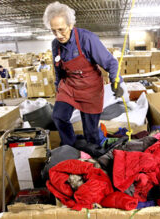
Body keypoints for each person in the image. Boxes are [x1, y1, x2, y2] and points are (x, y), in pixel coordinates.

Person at [43, 1, 124, 146]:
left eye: (61, 29)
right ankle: (70, 146)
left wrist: (116, 81)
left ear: (70, 25)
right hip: (70, 86)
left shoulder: (87, 39)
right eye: (53, 31)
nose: (58, 35)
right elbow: (58, 68)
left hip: (90, 88)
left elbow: (110, 62)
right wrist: (58, 87)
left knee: (91, 133)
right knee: (59, 116)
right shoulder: (56, 44)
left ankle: (94, 157)